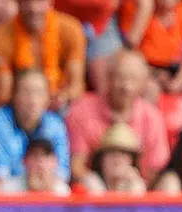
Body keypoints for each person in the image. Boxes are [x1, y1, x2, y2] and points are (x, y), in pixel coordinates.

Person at [65, 49, 168, 181]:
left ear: (143, 83)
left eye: (134, 79)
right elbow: (76, 166)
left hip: (137, 189)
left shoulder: (152, 117)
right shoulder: (82, 110)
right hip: (93, 190)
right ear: (108, 77)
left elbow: (154, 170)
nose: (126, 86)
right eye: (120, 78)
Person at [0, 0, 84, 108]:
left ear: (51, 1)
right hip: (19, 104)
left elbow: (76, 86)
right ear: (18, 2)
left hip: (59, 102)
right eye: (27, 0)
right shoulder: (1, 35)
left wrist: (63, 96)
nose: (33, 8)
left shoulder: (71, 30)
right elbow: (4, 93)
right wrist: (31, 103)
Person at [0, 67, 68, 182]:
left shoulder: (55, 124)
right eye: (26, 92)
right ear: (14, 95)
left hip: (46, 185)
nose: (33, 100)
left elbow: (62, 171)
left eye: (39, 92)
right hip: (8, 188)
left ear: (48, 97)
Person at [79, 121, 148, 193]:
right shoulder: (90, 182)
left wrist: (134, 187)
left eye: (123, 152)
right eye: (111, 151)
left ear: (132, 160)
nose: (117, 157)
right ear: (101, 159)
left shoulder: (136, 184)